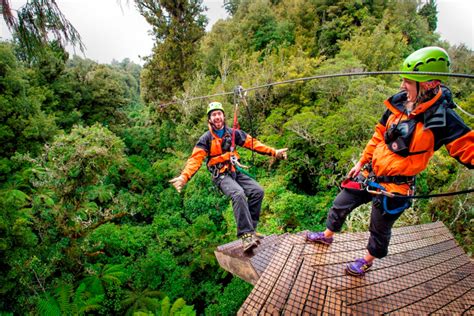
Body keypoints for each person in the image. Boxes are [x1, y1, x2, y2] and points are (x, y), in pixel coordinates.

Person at [306, 46, 473, 276]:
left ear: (428, 84)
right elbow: (379, 134)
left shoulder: (438, 117)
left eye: (408, 81)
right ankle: (326, 236)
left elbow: (466, 147)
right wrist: (361, 162)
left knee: (379, 227)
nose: (403, 85)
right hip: (372, 173)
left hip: (396, 185)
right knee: (341, 201)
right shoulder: (400, 102)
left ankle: (367, 260)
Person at [170, 101, 288, 252]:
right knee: (238, 194)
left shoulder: (233, 134)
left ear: (224, 116)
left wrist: (274, 152)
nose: (217, 117)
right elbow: (195, 159)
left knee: (257, 191)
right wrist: (184, 177)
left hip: (234, 170)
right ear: (210, 120)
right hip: (220, 175)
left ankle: (251, 229)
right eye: (214, 115)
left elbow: (253, 143)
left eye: (219, 114)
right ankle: (246, 236)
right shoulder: (206, 139)